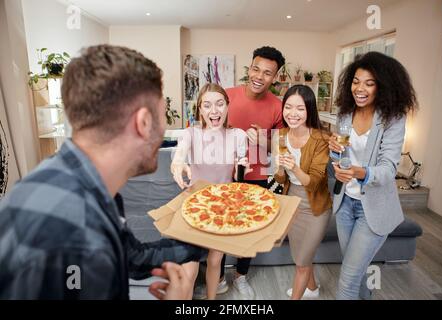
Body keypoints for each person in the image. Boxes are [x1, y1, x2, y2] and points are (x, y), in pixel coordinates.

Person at [0, 44, 206, 300]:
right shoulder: (84, 236)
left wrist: (207, 242)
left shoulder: (76, 180)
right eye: (163, 115)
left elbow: (132, 256)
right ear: (143, 123)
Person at [328, 51, 418, 300]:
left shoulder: (392, 119)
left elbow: (389, 169)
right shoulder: (346, 114)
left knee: (346, 279)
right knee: (354, 270)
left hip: (373, 209)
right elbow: (341, 154)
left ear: (383, 86)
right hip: (345, 203)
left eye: (369, 83)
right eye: (356, 81)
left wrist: (361, 173)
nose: (360, 88)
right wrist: (335, 154)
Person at [216, 45, 294, 300]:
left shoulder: (278, 106)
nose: (259, 76)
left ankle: (241, 276)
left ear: (276, 77)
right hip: (224, 175)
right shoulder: (226, 96)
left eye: (268, 73)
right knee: (219, 226)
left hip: (258, 177)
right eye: (256, 69)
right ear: (249, 68)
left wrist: (264, 141)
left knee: (249, 230)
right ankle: (216, 278)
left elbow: (285, 146)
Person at [171, 83, 248, 300]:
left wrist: (241, 167)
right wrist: (177, 164)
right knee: (190, 268)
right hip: (194, 205)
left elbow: (239, 173)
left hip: (224, 207)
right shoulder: (190, 134)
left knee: (215, 261)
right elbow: (179, 155)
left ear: (227, 106)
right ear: (200, 110)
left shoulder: (238, 136)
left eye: (219, 104)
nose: (214, 111)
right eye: (207, 105)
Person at [273, 85, 332, 300]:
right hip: (292, 205)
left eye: (300, 108)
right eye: (288, 107)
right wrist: (280, 167)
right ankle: (313, 289)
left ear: (309, 110)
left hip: (315, 207)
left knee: (301, 263)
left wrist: (294, 166)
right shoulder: (280, 135)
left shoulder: (321, 139)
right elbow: (280, 178)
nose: (293, 113)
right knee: (301, 256)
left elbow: (314, 182)